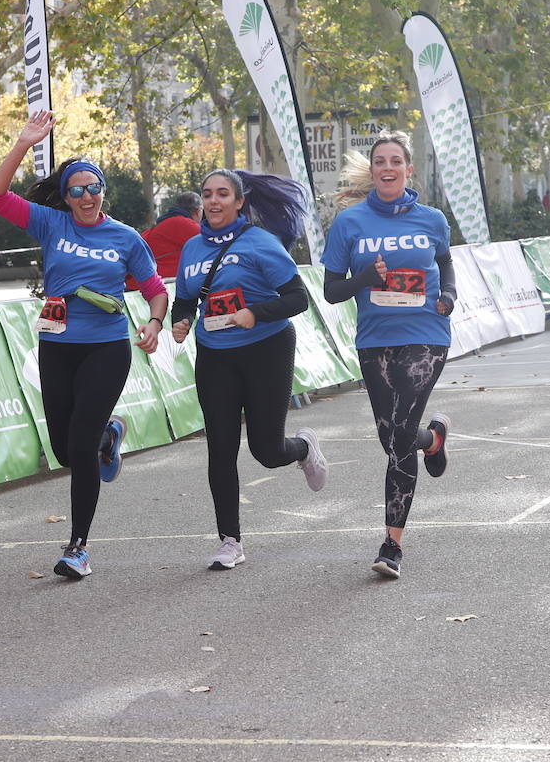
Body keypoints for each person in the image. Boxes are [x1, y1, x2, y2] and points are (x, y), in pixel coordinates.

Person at [0, 110, 169, 580]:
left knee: (80, 446)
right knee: (67, 451)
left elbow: (155, 289)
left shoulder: (125, 237)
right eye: (76, 190)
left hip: (107, 347)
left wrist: (152, 322)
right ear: (65, 198)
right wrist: (24, 143)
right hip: (57, 343)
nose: (86, 197)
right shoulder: (50, 224)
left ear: (103, 191)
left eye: (93, 188)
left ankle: (78, 548)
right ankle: (109, 435)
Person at [170, 169, 327, 571]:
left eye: (223, 194)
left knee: (266, 451)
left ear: (240, 202)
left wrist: (254, 313)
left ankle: (304, 448)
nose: (214, 201)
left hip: (266, 350)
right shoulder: (191, 248)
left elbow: (297, 299)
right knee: (219, 447)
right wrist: (182, 320)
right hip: (215, 355)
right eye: (207, 194)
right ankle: (230, 541)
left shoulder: (260, 243)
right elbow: (186, 299)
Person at [321, 133, 455, 580]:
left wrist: (449, 294)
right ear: (373, 171)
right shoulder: (349, 223)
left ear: (408, 169)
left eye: (396, 161)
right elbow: (332, 290)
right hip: (374, 339)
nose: (388, 168)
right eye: (380, 161)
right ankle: (432, 439)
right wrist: (365, 275)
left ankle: (391, 545)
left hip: (425, 335)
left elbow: (446, 260)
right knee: (393, 437)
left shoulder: (432, 219)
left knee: (397, 439)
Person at [126, 191, 202, 289]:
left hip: (138, 284)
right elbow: (215, 245)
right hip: (155, 288)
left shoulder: (163, 223)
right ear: (198, 211)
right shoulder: (184, 224)